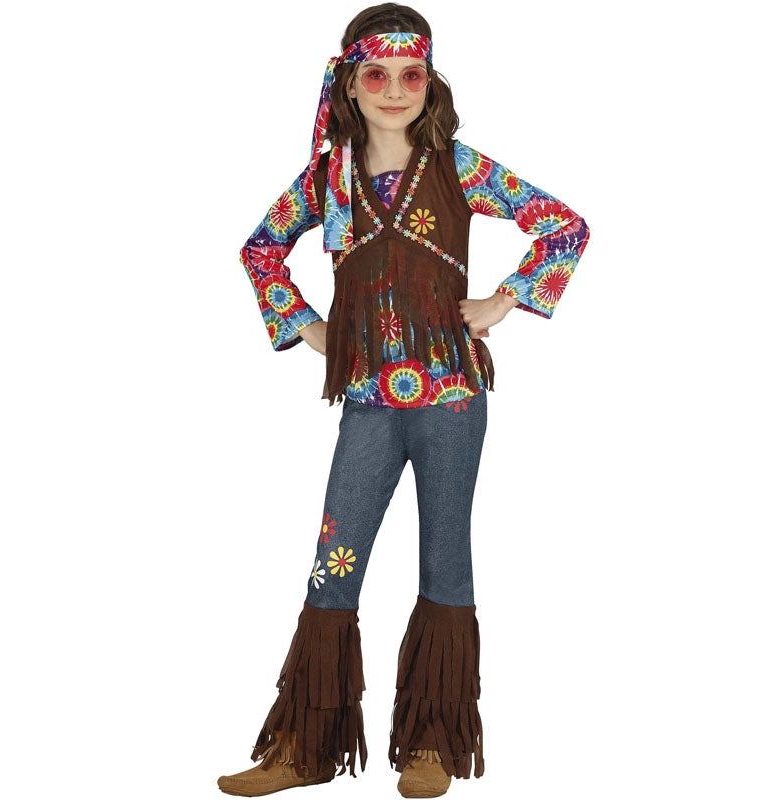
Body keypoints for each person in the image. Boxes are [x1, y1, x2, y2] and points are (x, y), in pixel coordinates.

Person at [217, 3, 590, 797]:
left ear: (429, 82)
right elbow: (259, 249)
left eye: (410, 75)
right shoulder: (327, 179)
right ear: (350, 85)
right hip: (368, 399)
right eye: (377, 75)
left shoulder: (459, 167)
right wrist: (307, 327)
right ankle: (306, 747)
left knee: (444, 557)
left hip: (451, 396)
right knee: (335, 563)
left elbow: (564, 227)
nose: (393, 90)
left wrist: (503, 301)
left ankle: (431, 743)